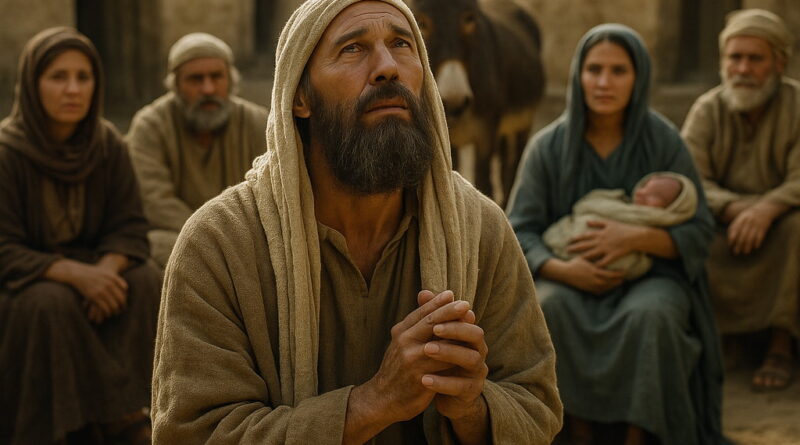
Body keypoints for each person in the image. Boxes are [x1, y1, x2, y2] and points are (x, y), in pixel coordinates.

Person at [151, 0, 562, 443]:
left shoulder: (480, 228)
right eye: (353, 49)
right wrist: (372, 403)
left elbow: (536, 406)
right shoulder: (218, 246)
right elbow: (192, 433)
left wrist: (470, 406)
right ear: (300, 96)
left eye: (402, 45)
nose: (388, 67)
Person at [507, 24, 727, 445]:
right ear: (578, 75)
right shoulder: (547, 147)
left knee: (653, 316)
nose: (604, 82)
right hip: (567, 277)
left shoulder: (664, 141)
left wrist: (635, 239)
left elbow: (699, 229)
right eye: (594, 69)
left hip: (649, 279)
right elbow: (519, 230)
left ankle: (639, 434)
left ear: (639, 76)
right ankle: (577, 431)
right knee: (552, 308)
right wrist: (564, 269)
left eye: (618, 70)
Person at [0, 28, 161, 445]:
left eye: (83, 77)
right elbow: (4, 247)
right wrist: (72, 273)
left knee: (143, 282)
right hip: (27, 284)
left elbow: (129, 225)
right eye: (57, 77)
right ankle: (90, 421)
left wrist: (106, 269)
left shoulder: (107, 144)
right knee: (49, 303)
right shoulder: (6, 152)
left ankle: (138, 408)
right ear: (32, 84)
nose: (72, 89)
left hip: (94, 273)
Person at [682, 8, 800, 392]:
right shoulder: (707, 109)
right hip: (725, 220)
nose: (743, 69)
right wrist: (735, 208)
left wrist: (767, 209)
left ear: (778, 63)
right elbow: (691, 177)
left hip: (781, 219)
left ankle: (780, 344)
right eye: (735, 57)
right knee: (690, 233)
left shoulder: (797, 106)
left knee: (795, 230)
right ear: (722, 62)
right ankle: (727, 338)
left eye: (755, 58)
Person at [127, 32, 268, 267]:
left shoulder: (256, 121)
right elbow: (153, 199)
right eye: (195, 79)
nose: (208, 89)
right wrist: (208, 238)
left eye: (216, 77)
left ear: (231, 81)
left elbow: (271, 190)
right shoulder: (150, 125)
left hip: (244, 238)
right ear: (176, 86)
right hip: (180, 235)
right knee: (155, 246)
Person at [544, 172, 697, 280]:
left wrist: (636, 238)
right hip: (562, 262)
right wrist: (561, 270)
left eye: (654, 196)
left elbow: (697, 235)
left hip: (625, 275)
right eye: (645, 187)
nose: (642, 194)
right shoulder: (620, 202)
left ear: (673, 209)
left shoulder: (654, 220)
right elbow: (586, 206)